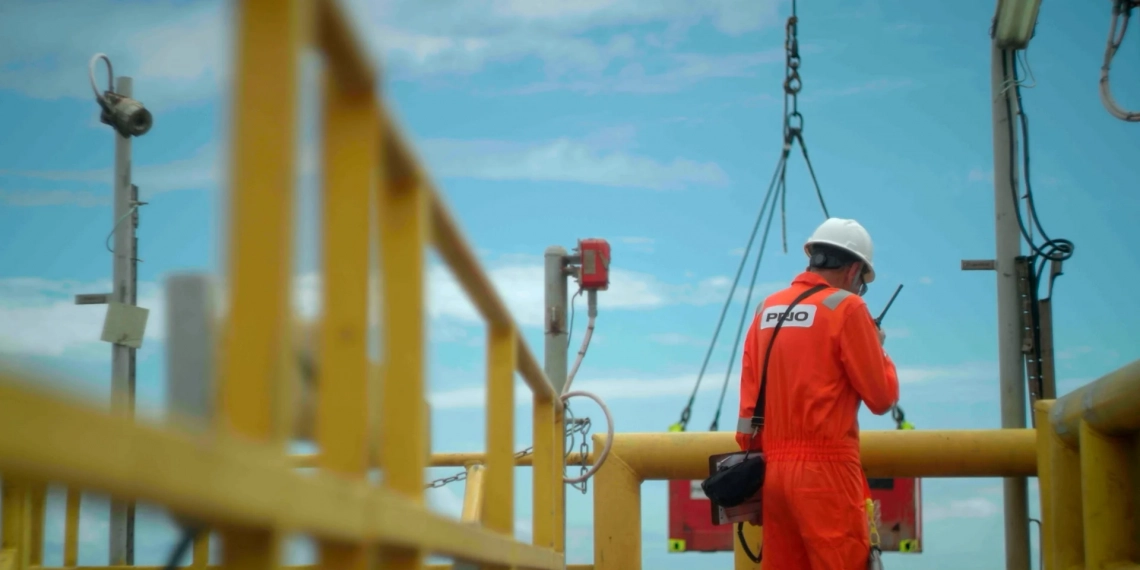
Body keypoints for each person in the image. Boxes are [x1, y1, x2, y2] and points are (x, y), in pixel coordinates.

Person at [734, 217, 900, 569]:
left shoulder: (768, 309)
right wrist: (879, 349)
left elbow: (748, 411)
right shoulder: (848, 308)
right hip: (826, 476)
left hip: (772, 475)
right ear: (854, 270)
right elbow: (881, 398)